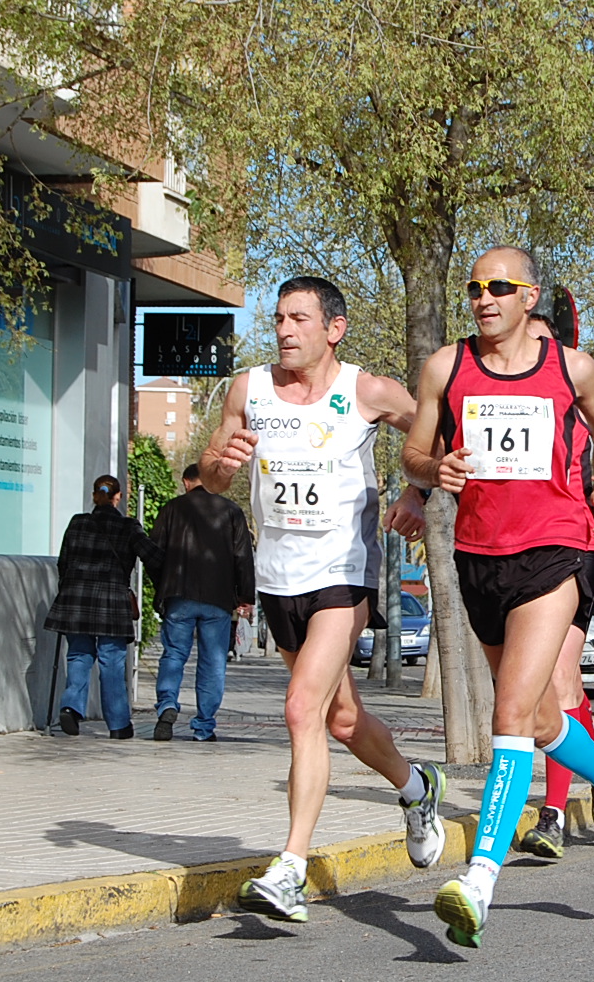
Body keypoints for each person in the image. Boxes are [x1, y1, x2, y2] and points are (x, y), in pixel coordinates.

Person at [403, 245, 594, 948]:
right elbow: (414, 452)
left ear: (529, 296)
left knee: (510, 712)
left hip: (558, 547)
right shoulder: (445, 368)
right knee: (542, 719)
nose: (484, 298)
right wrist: (435, 466)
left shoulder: (571, 368)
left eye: (499, 287)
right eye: (475, 287)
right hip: (479, 557)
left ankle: (478, 880)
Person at [199, 275, 445, 924]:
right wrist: (223, 464)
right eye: (279, 318)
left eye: (299, 319)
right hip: (277, 580)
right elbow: (212, 473)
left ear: (333, 329)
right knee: (339, 719)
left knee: (299, 708)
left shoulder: (366, 390)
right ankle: (419, 788)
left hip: (342, 575)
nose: (284, 330)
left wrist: (417, 494)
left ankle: (290, 868)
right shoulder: (248, 390)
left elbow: (434, 439)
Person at [517, 298, 594, 858]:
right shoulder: (497, 394)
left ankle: (553, 813)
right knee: (559, 690)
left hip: (575, 548)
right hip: (514, 556)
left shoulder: (573, 393)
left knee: (557, 682)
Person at [44, 475, 164, 740]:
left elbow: (63, 562)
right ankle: (119, 724)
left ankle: (71, 707)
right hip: (111, 604)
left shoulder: (77, 523)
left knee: (78, 655)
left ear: (94, 495)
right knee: (112, 662)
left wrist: (69, 588)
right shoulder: (128, 527)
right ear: (118, 497)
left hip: (76, 601)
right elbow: (154, 558)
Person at [148, 463, 256, 743]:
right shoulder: (231, 511)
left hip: (179, 595)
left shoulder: (172, 509)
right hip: (218, 599)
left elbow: (153, 552)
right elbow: (243, 557)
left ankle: (167, 705)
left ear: (187, 482)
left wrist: (162, 586)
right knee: (213, 662)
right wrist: (245, 598)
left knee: (173, 654)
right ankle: (204, 726)